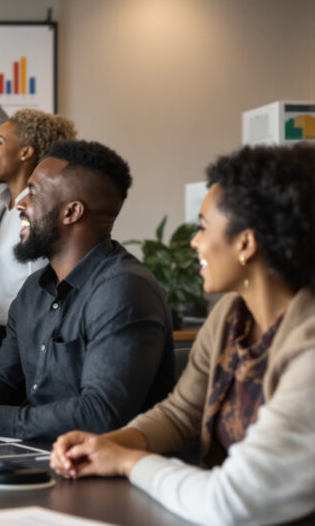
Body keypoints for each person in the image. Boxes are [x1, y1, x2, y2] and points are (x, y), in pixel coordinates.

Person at [50, 143, 315, 525]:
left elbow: (232, 502)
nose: (195, 242)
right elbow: (180, 414)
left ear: (246, 242)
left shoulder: (307, 347)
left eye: (203, 227)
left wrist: (127, 461)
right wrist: (107, 444)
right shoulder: (229, 315)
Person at [0, 140, 176, 441]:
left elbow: (102, 413)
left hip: (107, 473)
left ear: (72, 212)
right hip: (41, 459)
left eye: (34, 192)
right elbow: (5, 380)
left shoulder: (124, 289)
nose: (20, 204)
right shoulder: (34, 289)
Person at [0, 60, 77, 360]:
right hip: (1, 333)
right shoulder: (5, 201)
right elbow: (4, 131)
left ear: (26, 152)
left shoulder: (43, 207)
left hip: (34, 339)